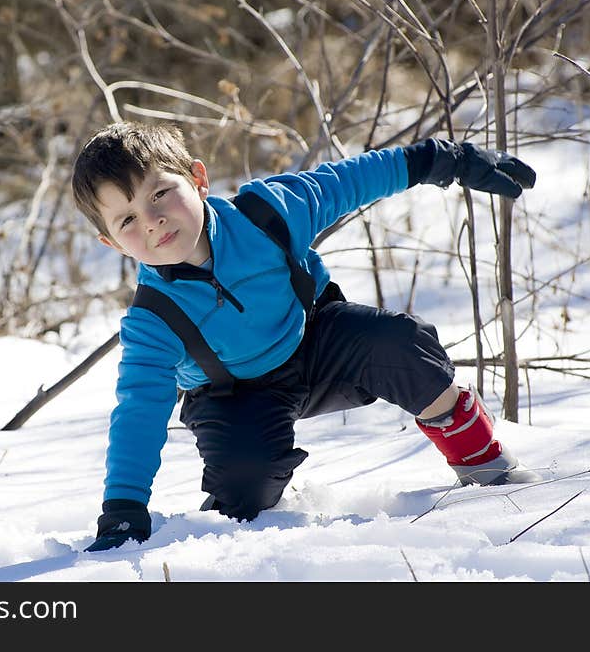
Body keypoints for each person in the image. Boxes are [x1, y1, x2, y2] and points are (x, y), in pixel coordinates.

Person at [71, 121, 538, 552]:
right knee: (243, 492)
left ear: (197, 179)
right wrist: (123, 508)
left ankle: (481, 459)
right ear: (112, 243)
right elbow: (139, 411)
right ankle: (246, 506)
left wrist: (448, 159)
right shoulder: (152, 318)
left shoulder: (266, 213)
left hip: (319, 343)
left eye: (159, 194)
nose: (151, 221)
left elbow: (353, 179)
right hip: (233, 394)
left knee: (401, 343)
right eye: (127, 220)